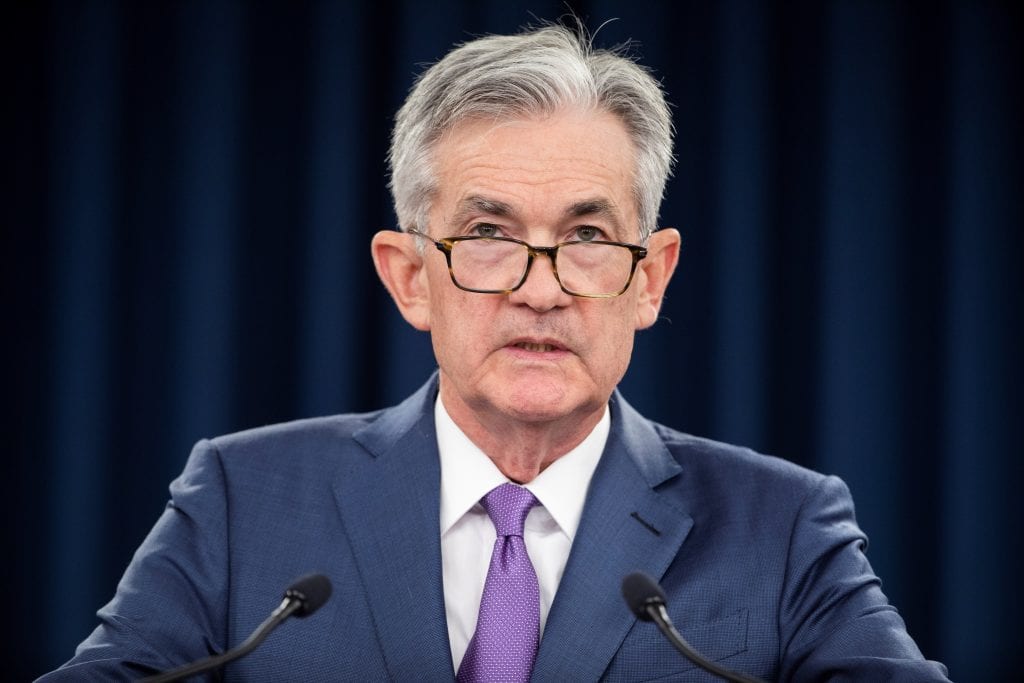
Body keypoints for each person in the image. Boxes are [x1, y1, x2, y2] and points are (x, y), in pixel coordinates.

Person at [39, 25, 950, 682]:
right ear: (409, 277)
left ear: (650, 278)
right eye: (486, 233)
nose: (540, 289)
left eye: (587, 235)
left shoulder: (785, 527)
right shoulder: (242, 500)